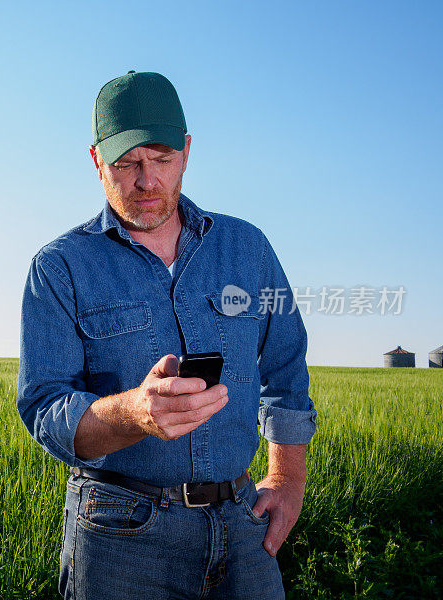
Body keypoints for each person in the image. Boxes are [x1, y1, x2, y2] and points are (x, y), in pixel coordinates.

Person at [16, 70, 316, 599]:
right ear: (96, 162)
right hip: (120, 539)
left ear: (187, 150)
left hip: (245, 529)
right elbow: (45, 409)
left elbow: (286, 366)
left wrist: (288, 479)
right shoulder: (59, 268)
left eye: (161, 158)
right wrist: (134, 412)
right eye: (127, 163)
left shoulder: (248, 249)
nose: (147, 181)